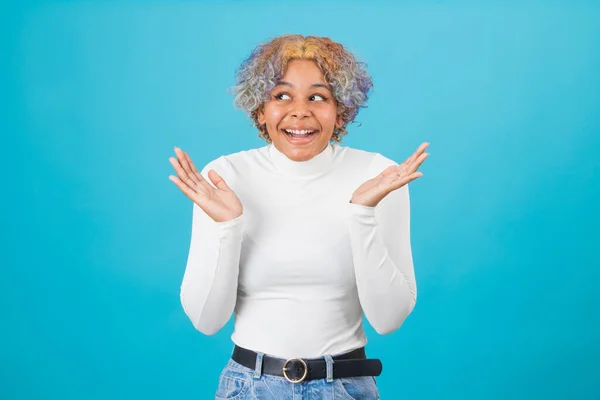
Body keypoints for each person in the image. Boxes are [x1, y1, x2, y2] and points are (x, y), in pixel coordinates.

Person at [168, 34, 428, 400]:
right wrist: (229, 226)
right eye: (282, 95)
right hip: (249, 388)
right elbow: (206, 321)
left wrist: (362, 214)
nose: (300, 111)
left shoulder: (379, 175)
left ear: (342, 109)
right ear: (260, 109)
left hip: (345, 386)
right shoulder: (224, 177)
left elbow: (389, 320)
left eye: (318, 97)